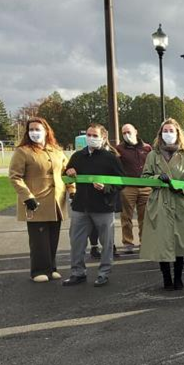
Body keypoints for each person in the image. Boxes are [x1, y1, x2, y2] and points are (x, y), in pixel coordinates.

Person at [8, 117, 71, 283]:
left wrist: (72, 189)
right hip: (36, 202)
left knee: (53, 237)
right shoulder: (23, 151)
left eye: (37, 129)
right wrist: (27, 196)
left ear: (46, 131)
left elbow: (67, 172)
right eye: (31, 130)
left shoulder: (57, 150)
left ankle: (51, 268)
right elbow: (15, 176)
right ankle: (38, 270)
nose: (34, 133)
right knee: (39, 239)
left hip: (57, 201)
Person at [140, 118, 184, 291]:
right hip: (159, 202)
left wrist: (180, 188)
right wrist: (157, 179)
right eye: (165, 131)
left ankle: (179, 277)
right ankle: (166, 277)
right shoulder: (153, 155)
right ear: (160, 134)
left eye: (171, 131)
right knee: (162, 241)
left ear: (178, 133)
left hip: (180, 201)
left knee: (180, 240)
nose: (168, 134)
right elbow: (144, 177)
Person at [63, 123, 125, 287]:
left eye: (95, 135)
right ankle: (78, 273)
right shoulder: (77, 156)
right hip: (80, 207)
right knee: (77, 242)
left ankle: (104, 273)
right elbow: (67, 175)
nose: (91, 138)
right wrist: (68, 172)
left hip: (103, 207)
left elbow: (121, 182)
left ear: (103, 138)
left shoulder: (111, 158)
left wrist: (106, 188)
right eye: (89, 135)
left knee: (106, 243)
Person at [116, 124, 152, 254]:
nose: (127, 135)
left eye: (129, 132)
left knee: (145, 217)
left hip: (146, 187)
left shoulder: (147, 148)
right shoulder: (119, 149)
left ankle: (145, 241)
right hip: (128, 187)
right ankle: (128, 242)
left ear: (136, 131)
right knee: (126, 217)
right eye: (124, 133)